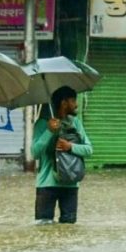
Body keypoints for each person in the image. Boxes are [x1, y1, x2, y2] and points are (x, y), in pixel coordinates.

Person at [32, 86, 93, 225]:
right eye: (73, 101)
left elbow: (89, 149)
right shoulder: (42, 124)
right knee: (43, 227)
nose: (76, 105)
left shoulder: (76, 123)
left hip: (71, 183)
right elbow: (35, 153)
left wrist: (70, 146)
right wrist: (49, 132)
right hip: (47, 184)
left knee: (69, 228)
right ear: (64, 103)